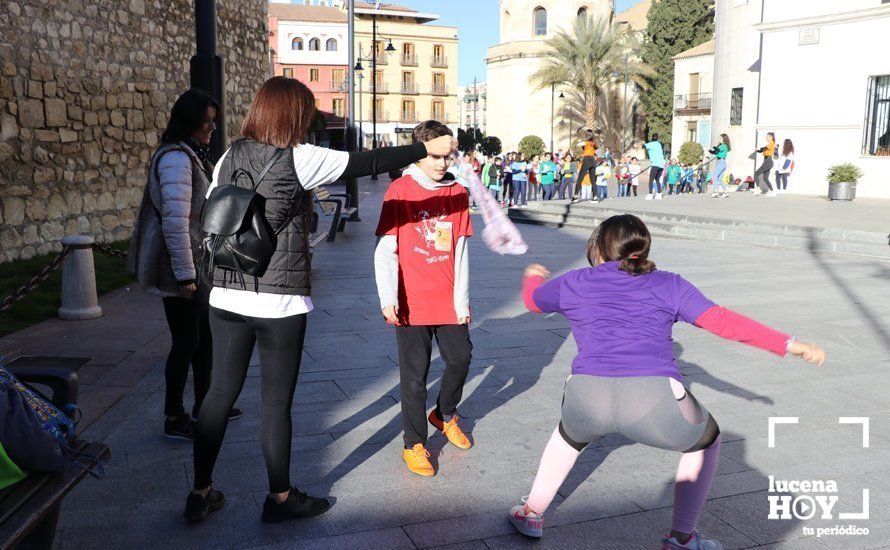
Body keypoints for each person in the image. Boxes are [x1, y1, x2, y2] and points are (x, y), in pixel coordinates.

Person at [186, 77, 456, 524]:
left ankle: (200, 491)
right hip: (279, 302)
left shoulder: (230, 153)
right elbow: (365, 162)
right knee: (275, 404)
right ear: (295, 114)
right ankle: (280, 498)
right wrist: (421, 148)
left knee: (217, 393)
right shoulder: (301, 158)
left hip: (227, 292)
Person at [508, 214, 826, 547]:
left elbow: (533, 301)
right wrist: (789, 344)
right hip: (653, 402)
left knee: (568, 436)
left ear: (598, 248)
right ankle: (682, 538)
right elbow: (721, 321)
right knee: (707, 439)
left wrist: (531, 277)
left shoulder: (575, 282)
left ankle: (530, 512)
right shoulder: (669, 284)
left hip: (586, 396)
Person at [129, 89, 243, 440]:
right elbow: (176, 223)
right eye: (206, 120)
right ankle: (174, 416)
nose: (211, 126)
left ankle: (205, 405)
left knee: (203, 339)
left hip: (196, 263)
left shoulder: (190, 155)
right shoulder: (176, 159)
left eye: (214, 120)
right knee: (186, 343)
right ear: (189, 119)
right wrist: (185, 275)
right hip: (181, 268)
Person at [374, 120, 474, 477]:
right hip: (410, 299)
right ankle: (413, 444)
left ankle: (444, 414)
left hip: (447, 298)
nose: (441, 163)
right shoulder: (399, 190)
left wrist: (461, 301)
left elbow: (460, 249)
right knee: (414, 377)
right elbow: (386, 248)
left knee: (460, 358)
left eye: (446, 156)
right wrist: (388, 295)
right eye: (434, 156)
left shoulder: (458, 192)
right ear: (418, 153)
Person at [754, 132, 777, 196]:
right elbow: (762, 150)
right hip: (767, 161)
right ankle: (772, 191)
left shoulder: (771, 143)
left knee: (756, 174)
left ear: (771, 137)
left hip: (768, 162)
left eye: (767, 136)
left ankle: (758, 188)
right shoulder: (770, 144)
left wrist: (759, 149)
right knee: (765, 178)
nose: (766, 138)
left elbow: (764, 148)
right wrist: (757, 150)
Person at [576, 131, 598, 196]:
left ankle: (575, 196)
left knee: (580, 178)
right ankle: (595, 197)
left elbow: (578, 145)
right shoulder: (594, 143)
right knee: (593, 181)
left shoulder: (586, 142)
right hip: (593, 160)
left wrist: (580, 140)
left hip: (587, 159)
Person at [644, 133, 666, 200]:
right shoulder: (659, 144)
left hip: (655, 164)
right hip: (661, 165)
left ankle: (650, 194)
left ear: (652, 137)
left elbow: (643, 146)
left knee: (651, 180)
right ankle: (659, 194)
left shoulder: (651, 144)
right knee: (657, 179)